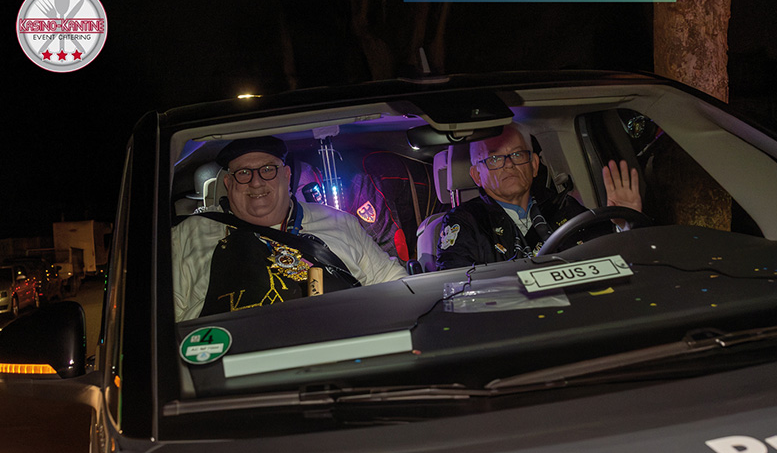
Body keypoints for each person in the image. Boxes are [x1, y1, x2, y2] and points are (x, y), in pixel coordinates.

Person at [172, 136, 406, 320]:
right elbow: (163, 316)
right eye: (243, 173)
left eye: (268, 169)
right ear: (228, 182)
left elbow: (392, 283)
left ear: (286, 175)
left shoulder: (338, 222)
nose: (256, 182)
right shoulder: (188, 234)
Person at [434, 124, 643, 270]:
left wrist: (624, 226)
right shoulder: (465, 221)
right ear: (477, 175)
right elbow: (456, 286)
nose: (509, 164)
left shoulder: (564, 207)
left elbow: (611, 260)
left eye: (518, 154)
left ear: (534, 165)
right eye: (495, 158)